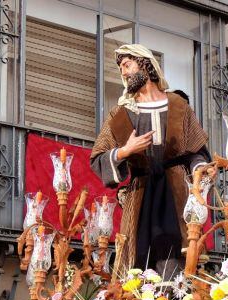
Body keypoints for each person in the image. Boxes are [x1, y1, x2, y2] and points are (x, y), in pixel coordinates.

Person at [90, 44, 211, 273]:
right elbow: (97, 158)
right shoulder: (120, 114)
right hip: (140, 194)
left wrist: (200, 172)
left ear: (145, 64)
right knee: (138, 259)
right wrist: (125, 151)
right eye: (121, 69)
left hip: (176, 193)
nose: (124, 73)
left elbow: (198, 151)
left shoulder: (178, 105)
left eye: (127, 65)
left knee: (178, 256)